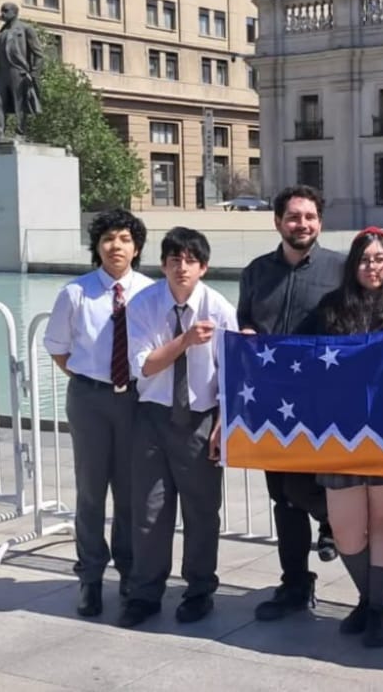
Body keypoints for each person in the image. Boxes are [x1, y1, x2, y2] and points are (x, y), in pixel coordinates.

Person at [304, 227, 383, 648]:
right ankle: (370, 599)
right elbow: (297, 355)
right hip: (339, 435)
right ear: (352, 265)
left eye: (379, 259)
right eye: (363, 259)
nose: (372, 267)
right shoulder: (330, 309)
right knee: (346, 530)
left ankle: (377, 609)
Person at [119, 227, 238, 627]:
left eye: (190, 260)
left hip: (201, 417)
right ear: (163, 265)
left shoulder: (219, 308)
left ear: (203, 267)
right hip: (153, 414)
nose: (181, 267)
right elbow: (144, 366)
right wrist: (185, 340)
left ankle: (199, 589)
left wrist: (223, 423)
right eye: (174, 260)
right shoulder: (144, 303)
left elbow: (232, 375)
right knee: (150, 508)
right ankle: (145, 592)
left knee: (202, 510)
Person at [237, 184, 345, 621]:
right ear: (278, 221)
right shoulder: (256, 272)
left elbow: (382, 301)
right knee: (282, 497)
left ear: (320, 221)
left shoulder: (341, 269)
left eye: (310, 217)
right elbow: (243, 319)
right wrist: (243, 332)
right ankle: (295, 583)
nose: (302, 224)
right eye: (294, 217)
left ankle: (335, 530)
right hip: (270, 401)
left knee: (317, 487)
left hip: (324, 402)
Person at [42, 208, 152, 618]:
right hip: (89, 399)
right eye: (108, 239)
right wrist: (90, 379)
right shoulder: (75, 293)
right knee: (90, 493)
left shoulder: (149, 291)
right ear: (97, 247)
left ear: (136, 247)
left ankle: (127, 572)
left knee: (129, 493)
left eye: (124, 239)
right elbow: (57, 346)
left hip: (135, 401)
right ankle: (90, 577)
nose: (115, 246)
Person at [0, 2, 43, 140]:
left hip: (17, 71)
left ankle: (20, 133)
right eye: (1, 11)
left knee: (20, 102)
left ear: (15, 12)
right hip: (1, 72)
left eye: (5, 11)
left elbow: (39, 53)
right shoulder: (1, 32)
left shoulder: (25, 29)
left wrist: (34, 73)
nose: (2, 14)